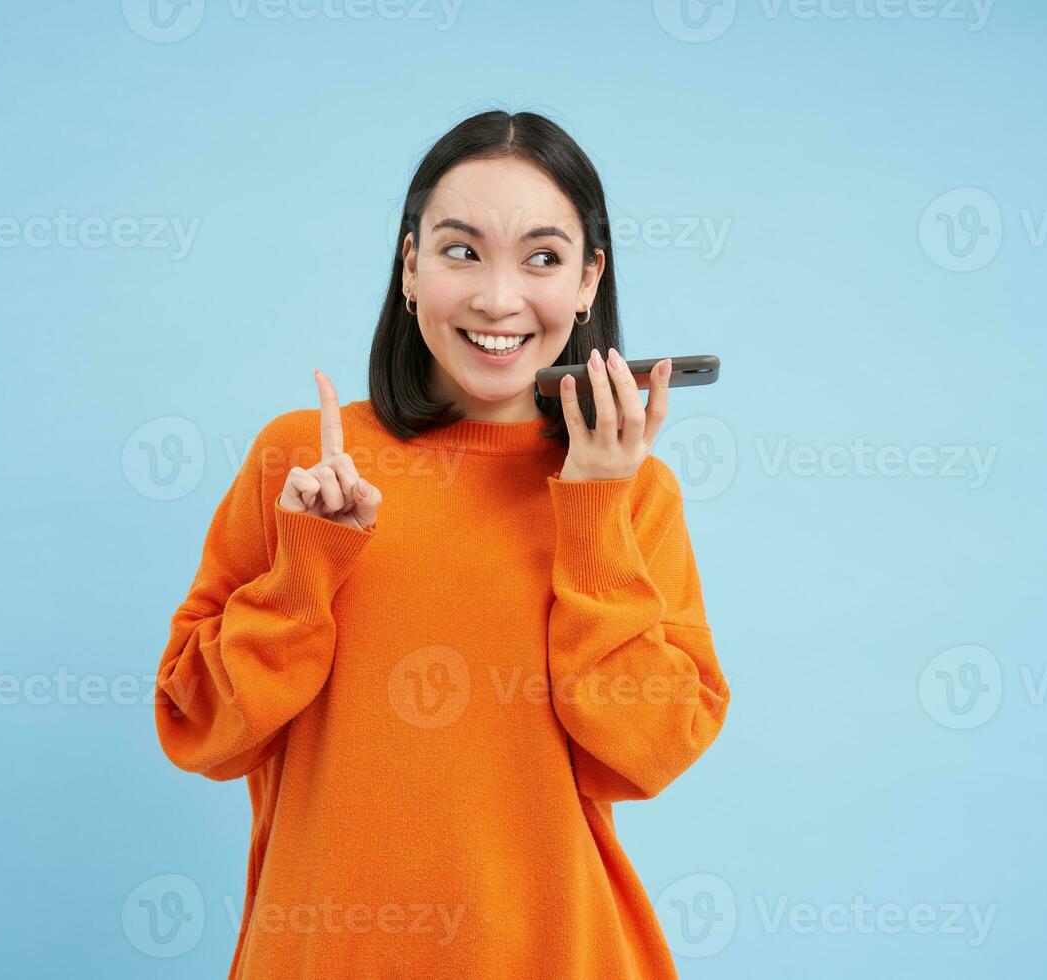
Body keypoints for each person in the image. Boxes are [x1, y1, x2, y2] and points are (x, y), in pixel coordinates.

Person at [154, 109, 731, 979]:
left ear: (587, 281)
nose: (500, 299)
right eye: (462, 250)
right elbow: (203, 730)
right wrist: (306, 569)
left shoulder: (634, 491)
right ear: (410, 265)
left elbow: (645, 752)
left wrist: (595, 511)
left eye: (542, 257)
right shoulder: (303, 461)